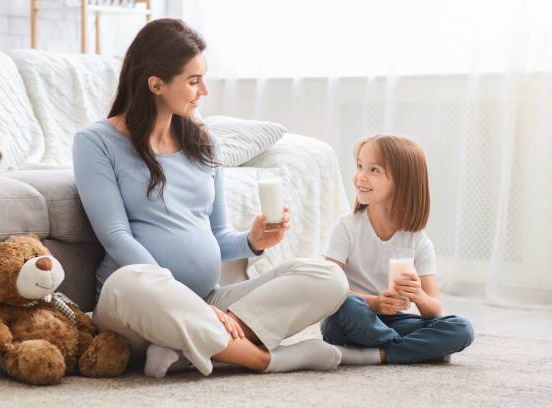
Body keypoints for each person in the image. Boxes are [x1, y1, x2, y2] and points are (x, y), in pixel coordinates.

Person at [72, 18, 348, 378]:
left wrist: (252, 241)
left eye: (204, 77)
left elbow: (217, 236)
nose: (204, 90)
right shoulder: (96, 142)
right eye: (193, 80)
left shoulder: (204, 143)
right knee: (129, 282)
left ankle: (185, 349)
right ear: (156, 84)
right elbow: (116, 237)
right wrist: (188, 304)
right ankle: (266, 359)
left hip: (210, 300)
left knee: (327, 276)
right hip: (138, 306)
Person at [321, 135, 474, 365]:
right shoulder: (346, 227)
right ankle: (415, 350)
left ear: (402, 182)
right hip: (350, 317)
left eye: (374, 170)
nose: (360, 176)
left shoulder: (418, 240)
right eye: (360, 166)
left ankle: (377, 354)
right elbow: (326, 290)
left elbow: (434, 310)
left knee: (461, 328)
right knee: (347, 307)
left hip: (394, 320)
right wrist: (374, 303)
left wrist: (418, 295)